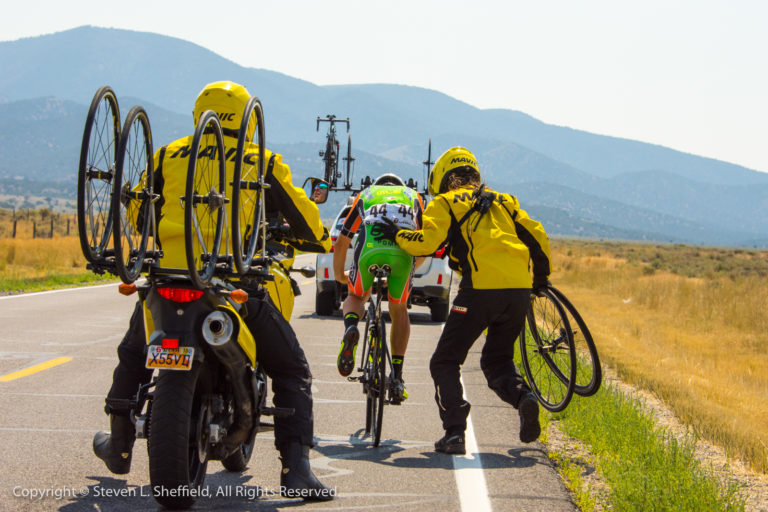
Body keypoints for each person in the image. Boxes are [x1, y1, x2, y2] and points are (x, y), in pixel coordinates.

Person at [93, 81, 334, 500]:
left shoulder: (167, 154)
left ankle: (118, 443)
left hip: (170, 277)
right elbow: (307, 224)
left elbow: (137, 212)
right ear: (245, 118)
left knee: (135, 352)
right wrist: (317, 239)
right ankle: (297, 472)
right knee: (292, 370)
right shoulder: (261, 161)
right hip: (234, 283)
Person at [378, 147, 551, 454]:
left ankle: (455, 432)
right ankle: (523, 398)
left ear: (442, 180)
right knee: (497, 360)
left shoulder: (445, 202)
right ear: (475, 175)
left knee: (444, 360)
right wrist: (540, 280)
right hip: (519, 291)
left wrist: (397, 236)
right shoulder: (504, 200)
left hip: (478, 291)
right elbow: (537, 237)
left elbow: (428, 243)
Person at [333, 173, 424, 403]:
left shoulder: (366, 195)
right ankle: (397, 378)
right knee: (399, 308)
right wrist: (411, 269)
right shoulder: (414, 196)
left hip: (369, 249)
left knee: (356, 295)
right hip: (401, 255)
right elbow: (424, 245)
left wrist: (339, 275)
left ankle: (352, 326)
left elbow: (343, 241)